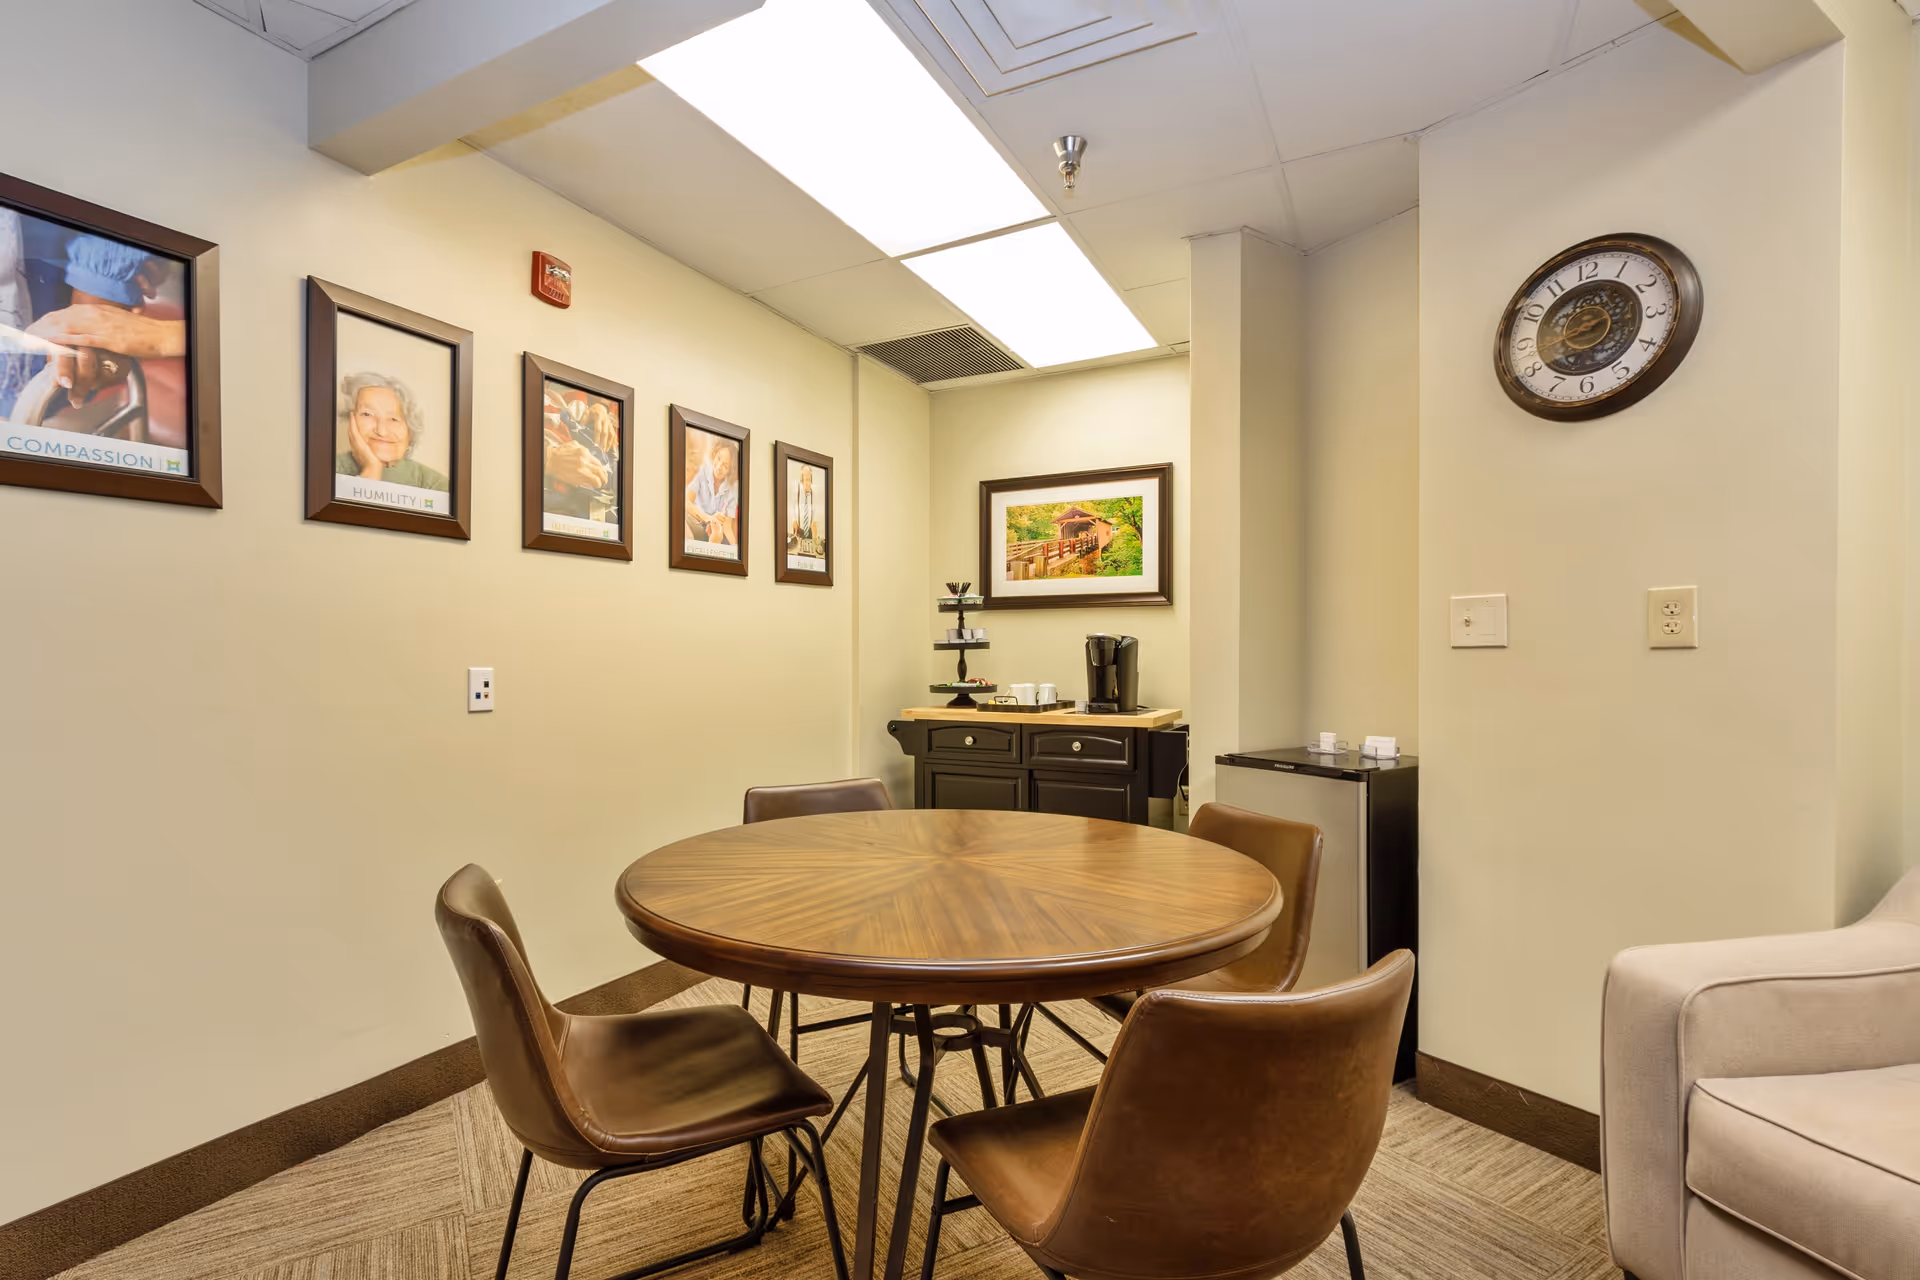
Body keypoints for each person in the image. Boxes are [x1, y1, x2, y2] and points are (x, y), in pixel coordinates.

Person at [334, 372, 448, 491]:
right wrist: (371, 469)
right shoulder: (325, 469)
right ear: (350, 420)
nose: (381, 431)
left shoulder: (434, 484)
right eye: (367, 414)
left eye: (394, 419)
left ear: (410, 431)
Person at [685, 436, 737, 549]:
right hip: (697, 523)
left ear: (730, 470)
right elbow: (687, 502)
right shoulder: (702, 473)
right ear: (714, 454)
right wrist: (708, 518)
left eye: (725, 465)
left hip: (715, 531)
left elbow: (727, 525)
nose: (719, 466)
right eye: (718, 458)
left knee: (720, 535)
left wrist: (735, 547)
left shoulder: (732, 489)